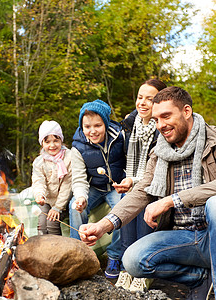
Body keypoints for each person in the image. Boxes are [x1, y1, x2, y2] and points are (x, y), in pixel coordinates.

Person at [79, 87, 216, 299]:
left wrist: (171, 200)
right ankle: (200, 278)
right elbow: (141, 191)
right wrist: (102, 225)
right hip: (182, 237)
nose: (160, 125)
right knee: (132, 259)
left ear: (186, 111)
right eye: (156, 119)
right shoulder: (159, 151)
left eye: (166, 116)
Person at [113, 78, 167, 292]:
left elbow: (158, 170)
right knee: (126, 223)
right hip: (130, 183)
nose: (142, 103)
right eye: (140, 97)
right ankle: (126, 270)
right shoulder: (129, 124)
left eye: (150, 99)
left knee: (143, 228)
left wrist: (134, 181)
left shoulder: (162, 129)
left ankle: (144, 273)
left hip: (154, 187)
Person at [69, 99, 126, 279]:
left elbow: (130, 163)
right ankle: (78, 254)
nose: (92, 131)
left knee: (122, 209)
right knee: (75, 207)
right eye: (87, 126)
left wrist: (126, 181)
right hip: (94, 187)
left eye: (97, 125)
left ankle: (115, 256)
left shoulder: (120, 137)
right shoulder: (78, 147)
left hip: (116, 186)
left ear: (106, 123)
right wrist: (81, 197)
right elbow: (79, 179)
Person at [32, 120, 72, 235]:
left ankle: (56, 250)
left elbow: (67, 185)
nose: (52, 145)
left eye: (56, 140)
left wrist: (58, 207)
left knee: (52, 222)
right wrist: (40, 195)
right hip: (48, 200)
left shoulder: (69, 158)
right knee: (42, 223)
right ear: (42, 143)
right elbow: (38, 181)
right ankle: (43, 248)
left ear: (61, 140)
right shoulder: (39, 162)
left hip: (64, 202)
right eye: (47, 142)